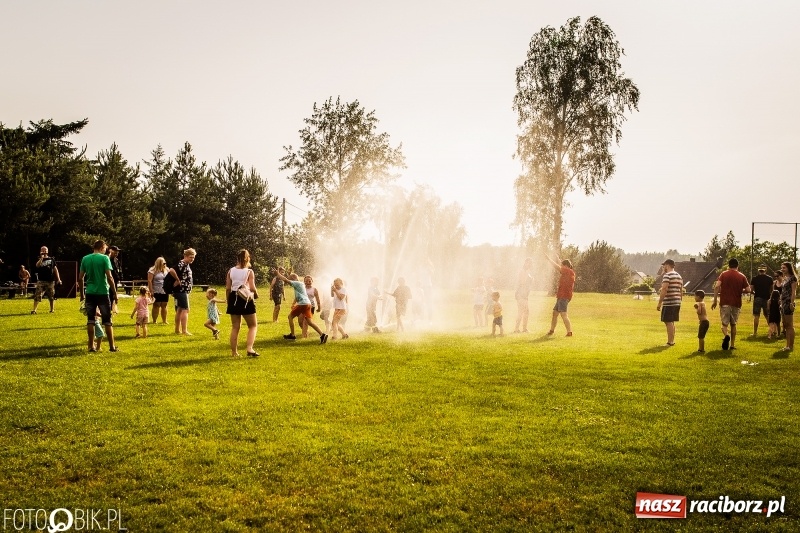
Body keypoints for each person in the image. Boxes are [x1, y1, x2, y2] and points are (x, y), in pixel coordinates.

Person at [78, 240, 118, 352]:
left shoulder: (85, 258)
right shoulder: (104, 258)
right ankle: (112, 347)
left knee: (91, 320)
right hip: (103, 293)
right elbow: (110, 277)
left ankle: (91, 346)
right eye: (105, 248)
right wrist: (114, 293)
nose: (106, 250)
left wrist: (81, 294)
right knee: (107, 321)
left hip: (90, 292)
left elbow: (80, 278)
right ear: (101, 247)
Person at [273, 269, 327, 343]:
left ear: (293, 279)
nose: (289, 283)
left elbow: (285, 280)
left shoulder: (297, 283)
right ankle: (322, 335)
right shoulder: (301, 284)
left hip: (302, 303)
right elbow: (288, 279)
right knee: (310, 322)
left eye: (290, 280)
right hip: (308, 304)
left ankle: (292, 335)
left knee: (290, 317)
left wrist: (278, 274)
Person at [711, 258, 751, 350]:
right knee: (733, 324)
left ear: (728, 265)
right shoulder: (742, 276)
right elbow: (749, 290)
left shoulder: (723, 274)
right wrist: (741, 290)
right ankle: (732, 345)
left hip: (725, 302)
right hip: (736, 303)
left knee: (724, 324)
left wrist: (715, 301)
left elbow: (717, 287)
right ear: (737, 266)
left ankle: (726, 336)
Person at [226, 249, 260, 357]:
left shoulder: (230, 271)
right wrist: (256, 294)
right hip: (245, 298)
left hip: (233, 297)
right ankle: (249, 348)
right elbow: (252, 288)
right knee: (253, 325)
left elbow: (228, 288)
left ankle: (234, 352)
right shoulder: (249, 271)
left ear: (237, 258)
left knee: (235, 327)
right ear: (248, 258)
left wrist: (229, 302)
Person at [545, 253, 575, 337]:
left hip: (563, 296)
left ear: (566, 266)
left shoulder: (568, 271)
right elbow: (560, 266)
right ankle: (552, 330)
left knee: (563, 314)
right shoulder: (569, 271)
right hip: (561, 296)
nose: (561, 267)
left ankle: (569, 332)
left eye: (562, 265)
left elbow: (558, 267)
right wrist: (558, 259)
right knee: (555, 313)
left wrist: (549, 259)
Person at [169, 248, 197, 336]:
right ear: (185, 256)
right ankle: (184, 330)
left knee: (180, 309)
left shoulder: (186, 264)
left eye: (193, 257)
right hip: (181, 290)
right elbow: (171, 270)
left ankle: (177, 330)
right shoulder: (182, 263)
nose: (192, 259)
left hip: (182, 290)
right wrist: (177, 279)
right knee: (185, 309)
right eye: (190, 257)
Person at [656, 259, 682, 347]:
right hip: (677, 301)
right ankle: (672, 340)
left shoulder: (667, 275)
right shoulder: (679, 276)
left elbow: (664, 289)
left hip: (669, 302)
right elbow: (681, 290)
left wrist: (660, 303)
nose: (663, 267)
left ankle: (670, 342)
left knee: (668, 321)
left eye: (664, 265)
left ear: (667, 265)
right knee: (671, 321)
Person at [31, 246, 62, 314]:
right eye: (43, 250)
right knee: (37, 295)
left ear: (47, 251)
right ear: (40, 251)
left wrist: (58, 279)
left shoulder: (51, 259)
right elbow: (37, 266)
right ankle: (34, 310)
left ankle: (52, 309)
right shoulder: (38, 259)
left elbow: (55, 269)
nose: (44, 251)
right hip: (41, 280)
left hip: (50, 281)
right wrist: (41, 258)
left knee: (51, 296)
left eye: (45, 250)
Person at [750, 265, 774, 336]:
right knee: (767, 315)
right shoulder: (769, 278)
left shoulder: (754, 278)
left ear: (758, 270)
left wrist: (755, 293)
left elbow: (751, 290)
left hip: (757, 297)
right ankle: (771, 331)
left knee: (756, 316)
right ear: (765, 270)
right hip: (767, 298)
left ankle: (755, 332)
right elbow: (772, 290)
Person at [779, 262, 797, 352]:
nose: (782, 269)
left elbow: (794, 292)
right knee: (785, 325)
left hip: (788, 303)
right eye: (782, 268)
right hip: (783, 303)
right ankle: (787, 345)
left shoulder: (793, 278)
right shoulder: (785, 278)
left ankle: (791, 346)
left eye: (784, 268)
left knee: (789, 325)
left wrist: (791, 303)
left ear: (789, 268)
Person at [147, 257, 170, 324]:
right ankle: (154, 321)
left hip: (165, 290)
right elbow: (149, 281)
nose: (164, 264)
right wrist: (151, 291)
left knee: (164, 305)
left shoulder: (167, 269)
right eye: (163, 263)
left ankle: (164, 320)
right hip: (156, 290)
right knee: (156, 305)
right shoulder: (152, 270)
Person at [514, 258, 533, 333]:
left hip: (524, 294)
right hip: (521, 293)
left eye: (531, 263)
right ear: (525, 263)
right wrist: (530, 278)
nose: (530, 265)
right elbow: (522, 282)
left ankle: (522, 329)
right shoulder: (523, 271)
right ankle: (518, 329)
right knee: (522, 311)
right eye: (529, 263)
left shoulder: (527, 272)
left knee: (524, 311)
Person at [107, 245, 123, 313]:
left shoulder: (116, 260)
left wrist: (120, 277)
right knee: (109, 295)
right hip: (109, 280)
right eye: (115, 251)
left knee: (114, 295)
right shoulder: (107, 259)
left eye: (117, 252)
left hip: (115, 281)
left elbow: (119, 269)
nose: (117, 253)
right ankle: (108, 309)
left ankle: (112, 308)